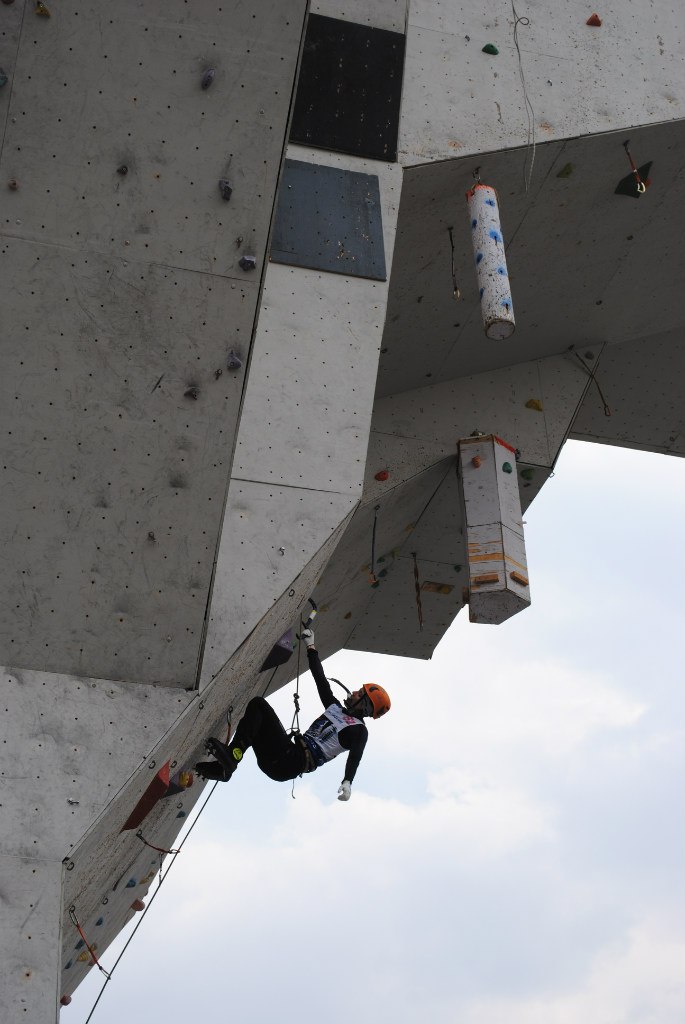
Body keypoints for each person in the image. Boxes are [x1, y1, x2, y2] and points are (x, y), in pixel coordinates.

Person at [195, 628, 390, 801]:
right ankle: (229, 762)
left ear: (365, 706)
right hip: (282, 757)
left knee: (259, 705)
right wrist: (311, 646)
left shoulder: (358, 731)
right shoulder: (335, 708)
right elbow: (321, 680)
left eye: (360, 694)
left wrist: (348, 781)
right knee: (257, 716)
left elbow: (355, 757)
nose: (354, 692)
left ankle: (231, 758)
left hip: (292, 760)